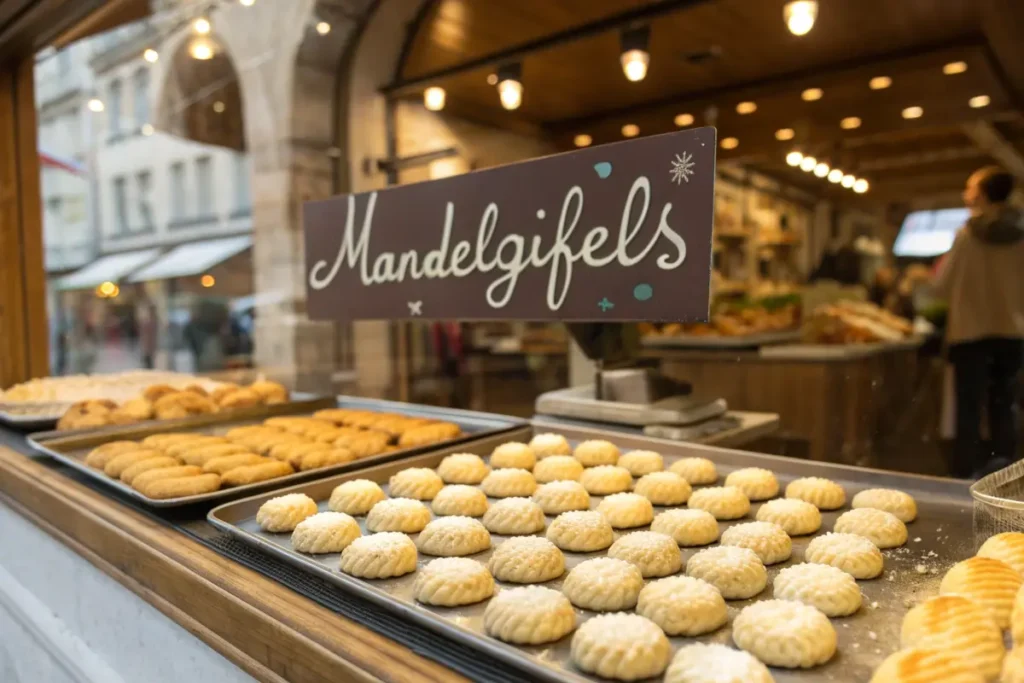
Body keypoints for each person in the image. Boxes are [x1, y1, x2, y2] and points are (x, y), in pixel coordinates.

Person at [934, 166, 1024, 478]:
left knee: (968, 411)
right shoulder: (1021, 235)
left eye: (970, 188)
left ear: (983, 194)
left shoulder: (966, 236)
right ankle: (1007, 476)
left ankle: (963, 477)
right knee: (1005, 406)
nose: (965, 194)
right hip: (1012, 333)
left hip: (969, 334)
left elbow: (941, 286)